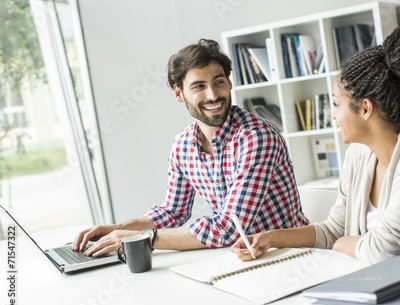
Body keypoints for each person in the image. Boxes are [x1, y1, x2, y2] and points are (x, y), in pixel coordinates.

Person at [232, 19, 400, 264]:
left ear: (365, 108)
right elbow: (334, 230)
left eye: (336, 103)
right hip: (383, 284)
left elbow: (385, 247)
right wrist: (271, 238)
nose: (333, 114)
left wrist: (341, 244)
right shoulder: (359, 153)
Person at [73, 39, 308, 256]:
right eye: (199, 86)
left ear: (229, 84)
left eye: (219, 82)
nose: (213, 95)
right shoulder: (182, 145)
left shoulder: (256, 138)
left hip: (288, 254)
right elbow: (174, 212)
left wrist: (142, 238)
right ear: (179, 93)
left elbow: (227, 228)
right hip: (239, 257)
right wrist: (115, 229)